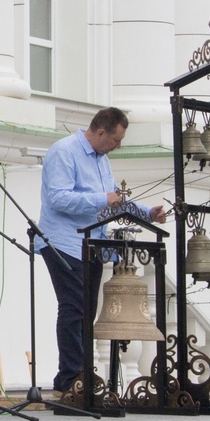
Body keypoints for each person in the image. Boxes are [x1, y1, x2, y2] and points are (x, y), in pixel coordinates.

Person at [36, 107, 166, 395]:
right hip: (63, 242)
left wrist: (147, 214)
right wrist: (100, 198)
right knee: (73, 308)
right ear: (100, 132)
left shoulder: (101, 160)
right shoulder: (64, 151)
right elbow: (58, 199)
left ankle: (72, 378)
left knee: (87, 311)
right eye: (115, 141)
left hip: (93, 244)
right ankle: (71, 377)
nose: (116, 147)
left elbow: (113, 202)